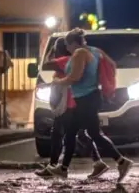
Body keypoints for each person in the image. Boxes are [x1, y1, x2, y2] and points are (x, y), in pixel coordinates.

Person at [52, 28, 133, 182]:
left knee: (93, 134)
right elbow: (112, 65)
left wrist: (58, 82)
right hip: (90, 97)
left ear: (73, 43)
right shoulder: (95, 51)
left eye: (68, 45)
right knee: (72, 133)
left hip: (86, 99)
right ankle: (63, 169)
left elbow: (74, 78)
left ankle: (122, 161)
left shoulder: (79, 53)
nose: (67, 49)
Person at [35, 37, 110, 178]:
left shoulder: (64, 61)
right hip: (74, 103)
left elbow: (46, 65)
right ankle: (97, 162)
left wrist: (51, 52)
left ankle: (56, 167)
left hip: (69, 105)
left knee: (60, 134)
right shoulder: (73, 60)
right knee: (79, 134)